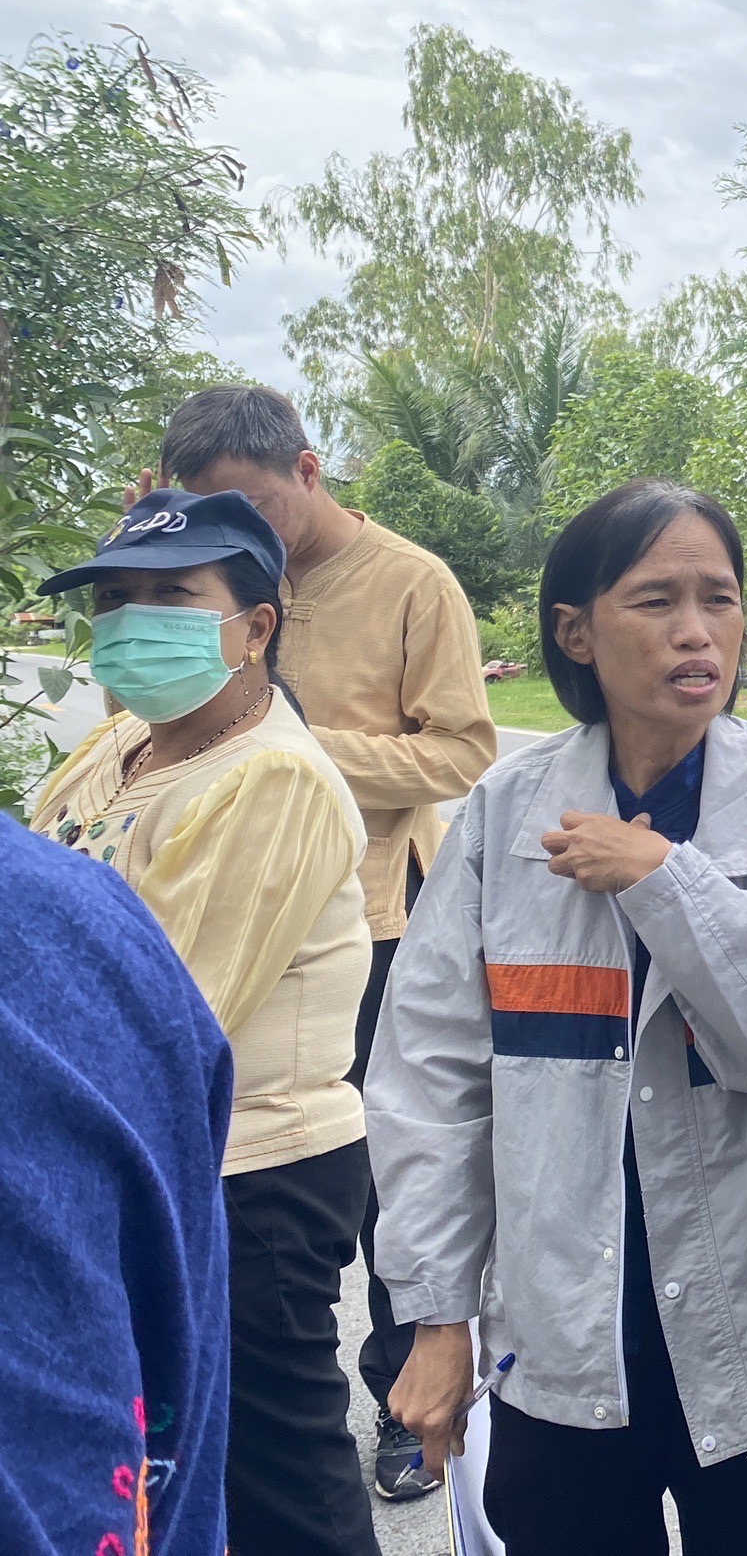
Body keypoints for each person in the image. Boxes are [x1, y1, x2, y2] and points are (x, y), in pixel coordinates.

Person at [366, 479, 747, 1556]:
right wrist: (436, 1315)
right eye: (657, 600)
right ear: (576, 631)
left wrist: (664, 876)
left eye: (719, 599)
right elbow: (432, 1081)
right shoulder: (505, 817)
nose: (698, 632)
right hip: (563, 1335)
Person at [151, 382, 498, 1499]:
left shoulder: (412, 583)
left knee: (390, 1173)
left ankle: (406, 1396)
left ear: (308, 469)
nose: (238, 535)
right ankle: (229, 1401)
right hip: (229, 921)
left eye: (252, 506)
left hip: (372, 921)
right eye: (211, 516)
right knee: (257, 1172)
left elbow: (463, 751)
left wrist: (294, 746)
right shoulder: (209, 584)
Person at [29, 488, 385, 1556]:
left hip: (250, 1175)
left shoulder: (272, 778)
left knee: (280, 1476)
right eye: (115, 599)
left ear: (256, 625)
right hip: (142, 1155)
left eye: (171, 596)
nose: (132, 621)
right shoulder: (123, 747)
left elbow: (168, 1014)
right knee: (166, 1463)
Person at [0, 811, 235, 1556]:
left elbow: (221, 978)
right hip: (151, 1087)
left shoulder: (283, 778)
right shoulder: (84, 893)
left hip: (263, 1137)